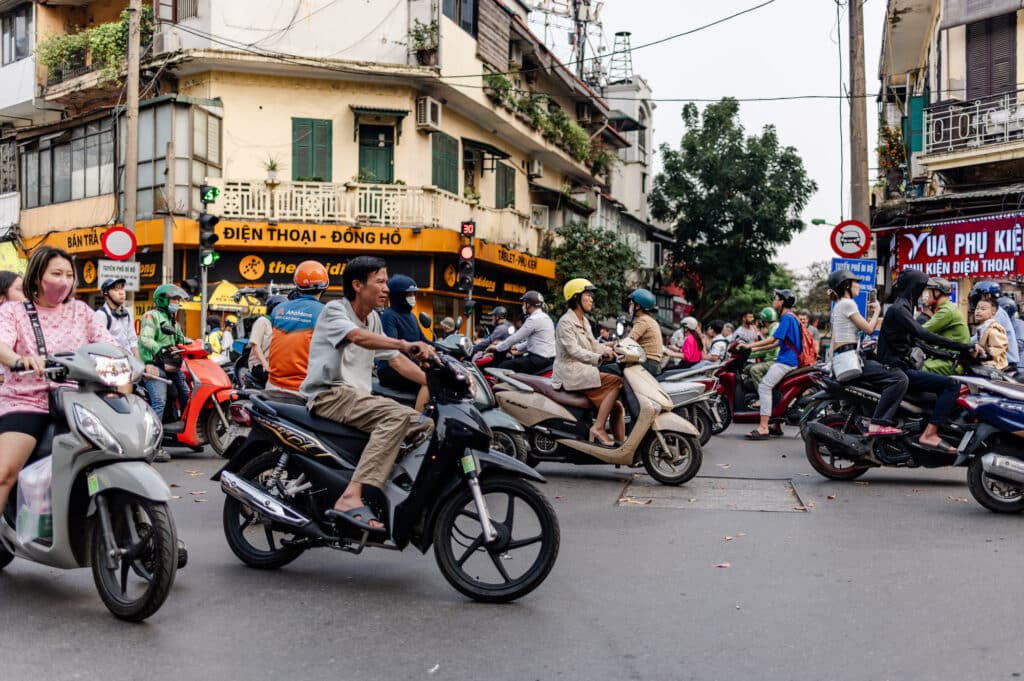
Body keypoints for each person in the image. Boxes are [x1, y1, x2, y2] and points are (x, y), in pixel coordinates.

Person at [301, 256, 436, 533]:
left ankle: (394, 494)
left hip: (356, 396)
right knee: (396, 416)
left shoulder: (373, 318)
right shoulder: (334, 311)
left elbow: (395, 360)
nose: (386, 288)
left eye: (386, 282)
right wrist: (405, 344)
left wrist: (433, 381)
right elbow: (357, 337)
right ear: (358, 285)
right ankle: (351, 496)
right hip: (330, 393)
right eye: (381, 282)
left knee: (425, 426)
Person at [0, 246, 118, 511]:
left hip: (78, 401)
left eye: (69, 274)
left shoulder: (82, 312)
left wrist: (128, 366)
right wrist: (19, 360)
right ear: (37, 277)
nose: (64, 281)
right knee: (4, 473)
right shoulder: (14, 312)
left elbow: (109, 347)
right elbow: (2, 345)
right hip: (27, 400)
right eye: (56, 273)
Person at [878, 269, 981, 452]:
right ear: (914, 287)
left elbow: (919, 342)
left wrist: (952, 354)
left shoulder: (904, 307)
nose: (924, 293)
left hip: (902, 365)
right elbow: (923, 334)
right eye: (923, 287)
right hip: (897, 368)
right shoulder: (900, 309)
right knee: (951, 385)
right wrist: (965, 347)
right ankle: (930, 433)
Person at [827, 269, 908, 435]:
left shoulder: (838, 306)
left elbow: (835, 340)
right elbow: (869, 329)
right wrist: (877, 309)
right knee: (899, 378)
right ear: (846, 285)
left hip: (842, 359)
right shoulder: (848, 304)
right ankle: (879, 422)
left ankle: (868, 416)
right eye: (855, 282)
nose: (858, 285)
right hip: (851, 359)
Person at [552, 278, 625, 445]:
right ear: (576, 298)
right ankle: (598, 427)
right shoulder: (565, 322)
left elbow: (593, 344)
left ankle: (622, 449)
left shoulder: (583, 321)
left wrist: (611, 347)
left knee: (617, 407)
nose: (591, 299)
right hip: (571, 372)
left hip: (584, 370)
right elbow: (573, 351)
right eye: (588, 295)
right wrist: (598, 357)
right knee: (617, 383)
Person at [738, 289, 801, 440]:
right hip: (789, 359)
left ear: (782, 301)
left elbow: (773, 340)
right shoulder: (791, 317)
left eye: (776, 298)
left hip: (787, 361)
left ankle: (763, 427)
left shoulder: (786, 318)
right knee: (775, 389)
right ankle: (777, 425)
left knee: (765, 386)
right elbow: (776, 343)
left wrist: (749, 346)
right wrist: (752, 347)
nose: (774, 300)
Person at [139, 283, 190, 448]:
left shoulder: (173, 321)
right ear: (162, 299)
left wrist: (198, 344)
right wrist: (159, 348)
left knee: (186, 394)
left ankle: (186, 435)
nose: (176, 302)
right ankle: (153, 444)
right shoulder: (151, 316)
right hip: (154, 366)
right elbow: (145, 339)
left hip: (172, 365)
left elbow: (182, 340)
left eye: (177, 299)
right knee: (159, 402)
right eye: (173, 299)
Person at [267, 260, 329, 398]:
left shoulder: (278, 309)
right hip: (305, 391)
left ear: (297, 285)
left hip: (272, 386)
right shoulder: (326, 313)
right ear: (324, 287)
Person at [378, 274, 430, 411]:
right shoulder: (389, 316)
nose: (412, 297)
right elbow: (393, 347)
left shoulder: (412, 316)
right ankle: (419, 423)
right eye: (408, 294)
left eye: (413, 293)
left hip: (411, 364)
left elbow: (423, 340)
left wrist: (440, 348)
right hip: (391, 369)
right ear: (398, 296)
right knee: (430, 383)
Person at [486, 290, 556, 374]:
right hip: (548, 359)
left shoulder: (533, 319)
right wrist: (517, 347)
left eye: (524, 303)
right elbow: (537, 342)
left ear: (528, 304)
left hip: (537, 360)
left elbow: (516, 337)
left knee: (503, 366)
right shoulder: (546, 318)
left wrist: (497, 347)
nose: (523, 306)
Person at [625, 288, 681, 376]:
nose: (630, 305)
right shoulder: (651, 320)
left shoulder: (643, 320)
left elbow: (628, 342)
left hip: (646, 363)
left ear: (638, 306)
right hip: (653, 364)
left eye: (631, 303)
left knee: (610, 369)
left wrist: (609, 345)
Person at [921, 278, 970, 376]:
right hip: (946, 358)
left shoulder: (946, 311)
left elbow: (920, 331)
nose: (926, 295)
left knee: (915, 372)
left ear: (937, 292)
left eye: (929, 291)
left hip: (950, 363)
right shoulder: (945, 308)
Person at [970, 281, 1019, 372]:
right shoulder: (993, 312)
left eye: (978, 296)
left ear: (988, 296)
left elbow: (981, 336)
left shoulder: (996, 312)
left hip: (1004, 363)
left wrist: (962, 342)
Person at [94, 277, 140, 360]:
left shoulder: (127, 314)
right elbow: (99, 345)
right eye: (116, 289)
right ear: (106, 293)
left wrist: (139, 363)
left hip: (129, 362)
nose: (122, 292)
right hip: (111, 364)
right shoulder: (101, 315)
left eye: (122, 288)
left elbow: (132, 341)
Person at [247, 294, 286, 385]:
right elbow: (255, 345)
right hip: (258, 364)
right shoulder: (263, 321)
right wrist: (265, 364)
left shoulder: (279, 325)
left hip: (274, 365)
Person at [972, 299, 1009, 371]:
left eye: (983, 309)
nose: (978, 311)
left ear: (993, 313)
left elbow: (1000, 346)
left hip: (995, 365)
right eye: (977, 308)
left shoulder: (993, 330)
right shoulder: (983, 327)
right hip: (985, 363)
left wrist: (983, 354)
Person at [997, 296, 1024, 364]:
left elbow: (1019, 345)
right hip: (1004, 362)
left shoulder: (1019, 324)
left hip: (1018, 365)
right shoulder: (999, 324)